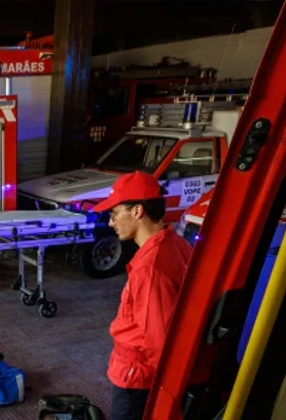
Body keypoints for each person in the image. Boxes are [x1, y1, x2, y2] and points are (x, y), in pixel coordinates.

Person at [91, 171, 195, 420]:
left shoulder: (151, 269)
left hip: (137, 377)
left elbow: (160, 340)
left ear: (137, 211)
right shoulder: (175, 244)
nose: (111, 222)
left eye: (115, 214)